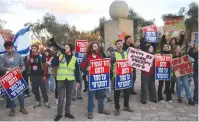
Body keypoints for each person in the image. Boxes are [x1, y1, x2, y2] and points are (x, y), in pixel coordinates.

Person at [80, 42, 110, 119]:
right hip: (91, 81)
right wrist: (86, 69)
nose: (96, 48)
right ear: (91, 48)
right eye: (94, 46)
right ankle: (90, 111)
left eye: (97, 46)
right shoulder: (86, 57)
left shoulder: (100, 56)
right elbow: (82, 67)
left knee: (101, 95)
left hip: (100, 80)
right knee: (91, 97)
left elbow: (104, 65)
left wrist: (108, 65)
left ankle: (101, 109)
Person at [52, 43, 80, 121]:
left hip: (70, 80)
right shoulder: (61, 56)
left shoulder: (74, 58)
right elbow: (53, 64)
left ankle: (67, 112)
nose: (65, 48)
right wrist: (57, 56)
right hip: (61, 80)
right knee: (61, 98)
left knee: (69, 97)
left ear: (70, 49)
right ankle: (59, 114)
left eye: (67, 47)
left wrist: (78, 81)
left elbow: (76, 70)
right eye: (65, 47)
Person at [0, 41, 28, 116]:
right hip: (9, 79)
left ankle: (22, 108)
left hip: (18, 77)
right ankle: (12, 109)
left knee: (21, 94)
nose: (10, 49)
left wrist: (21, 70)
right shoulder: (3, 57)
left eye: (11, 48)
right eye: (8, 48)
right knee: (10, 94)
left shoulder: (19, 55)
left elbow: (23, 66)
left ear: (13, 47)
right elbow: (1, 67)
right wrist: (8, 69)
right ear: (6, 49)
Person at [111, 39, 133, 116]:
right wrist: (112, 70)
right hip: (117, 77)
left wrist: (131, 68)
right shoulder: (113, 54)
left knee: (127, 92)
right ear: (116, 45)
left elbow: (129, 63)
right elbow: (108, 64)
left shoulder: (126, 53)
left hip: (126, 76)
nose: (120, 45)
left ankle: (126, 106)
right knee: (117, 94)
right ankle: (117, 108)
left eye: (121, 44)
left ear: (122, 45)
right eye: (118, 44)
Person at [170, 38, 194, 105]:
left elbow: (188, 63)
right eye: (176, 48)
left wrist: (190, 70)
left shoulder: (184, 55)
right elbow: (171, 65)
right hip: (177, 73)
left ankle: (190, 99)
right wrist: (171, 67)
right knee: (178, 85)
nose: (178, 49)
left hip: (184, 72)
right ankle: (179, 96)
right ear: (174, 50)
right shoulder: (172, 57)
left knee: (186, 85)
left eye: (179, 48)